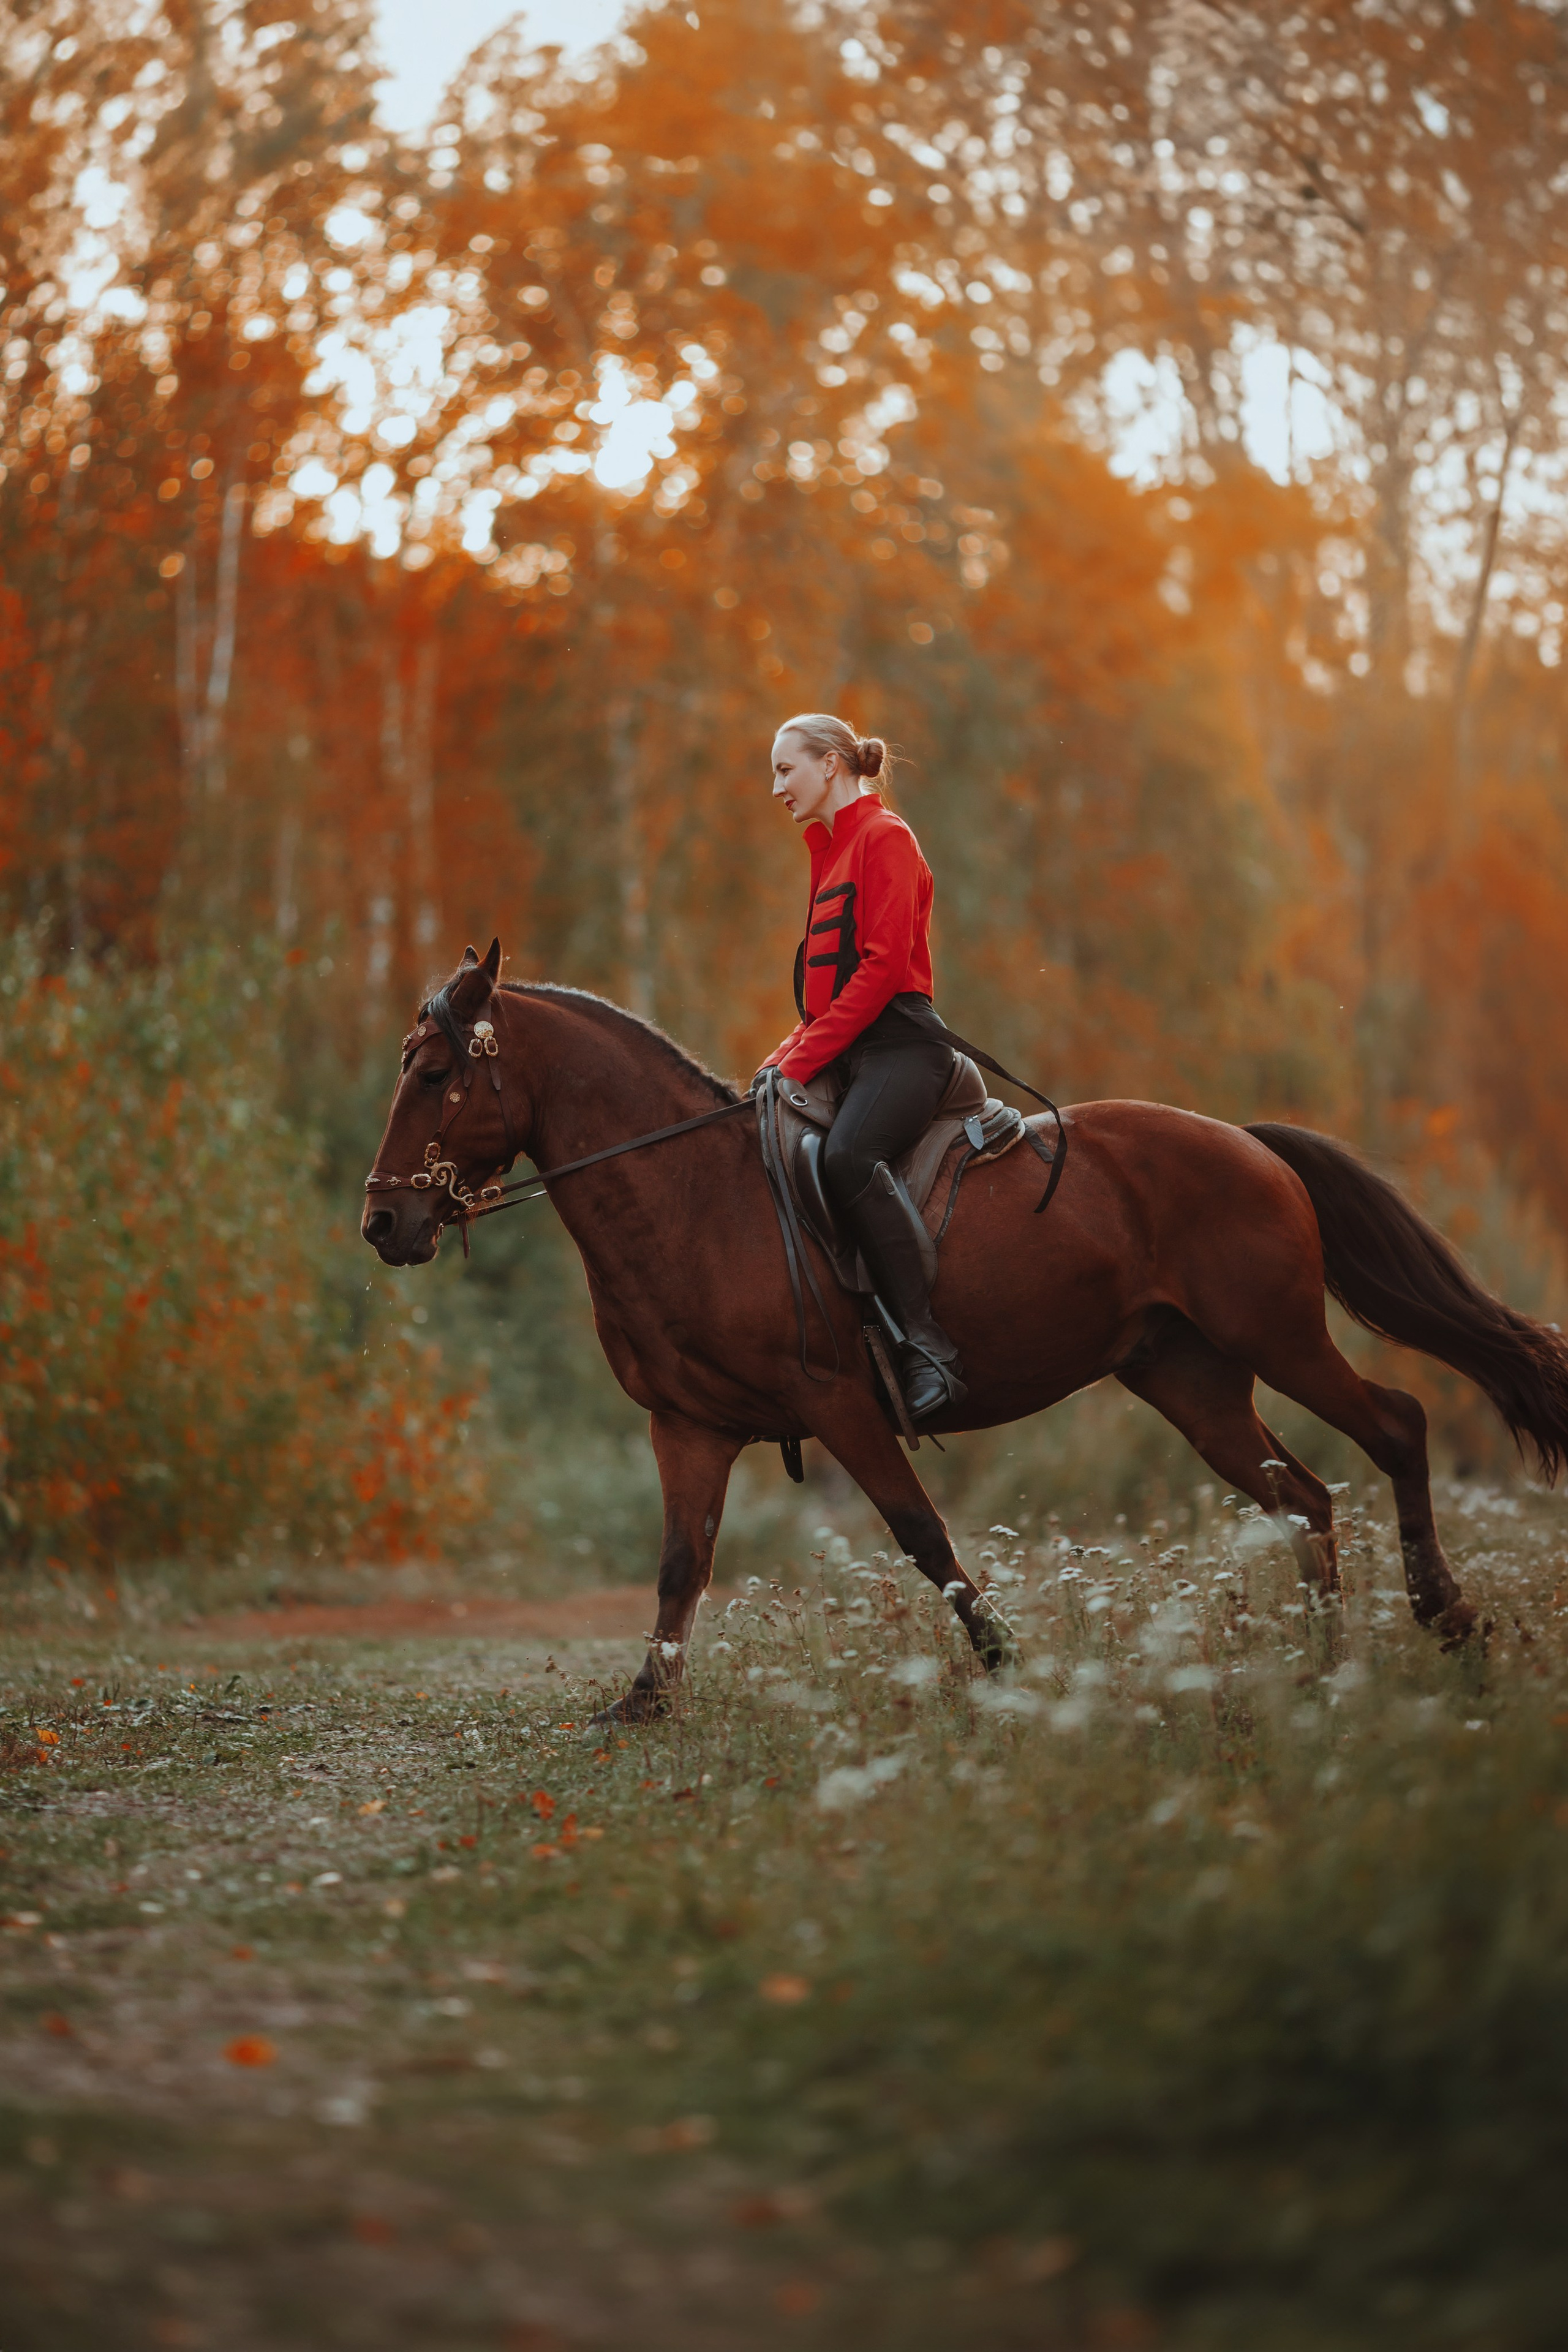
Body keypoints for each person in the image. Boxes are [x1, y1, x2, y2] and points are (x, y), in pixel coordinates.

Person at [755, 711, 966, 1419]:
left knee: (848, 1156)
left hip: (903, 1046)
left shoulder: (885, 837)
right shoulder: (828, 850)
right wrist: (776, 1063)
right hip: (850, 1045)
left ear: (830, 766)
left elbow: (877, 975)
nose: (776, 786)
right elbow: (823, 1003)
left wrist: (803, 1058)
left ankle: (930, 1346)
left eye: (786, 769)